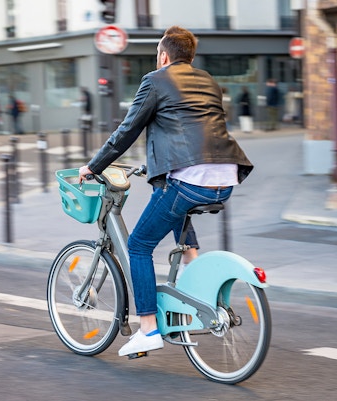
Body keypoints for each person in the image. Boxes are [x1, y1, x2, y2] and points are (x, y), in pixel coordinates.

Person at [78, 26, 253, 357]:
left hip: (192, 177)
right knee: (168, 199)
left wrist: (94, 166)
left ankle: (147, 329)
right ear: (191, 57)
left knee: (139, 245)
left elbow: (127, 130)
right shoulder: (208, 82)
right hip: (225, 176)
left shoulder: (155, 80)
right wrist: (158, 166)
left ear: (163, 56)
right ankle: (193, 266)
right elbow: (191, 128)